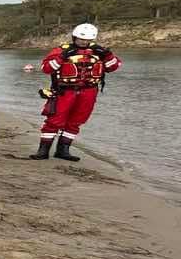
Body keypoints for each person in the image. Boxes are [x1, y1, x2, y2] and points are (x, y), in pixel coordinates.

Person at [32, 23, 121, 161]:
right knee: (54, 121)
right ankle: (43, 151)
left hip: (89, 91)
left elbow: (113, 67)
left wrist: (107, 55)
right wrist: (62, 57)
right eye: (81, 39)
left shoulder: (99, 52)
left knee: (76, 121)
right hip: (64, 91)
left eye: (87, 40)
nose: (84, 42)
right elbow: (46, 68)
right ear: (74, 37)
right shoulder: (60, 51)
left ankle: (63, 150)